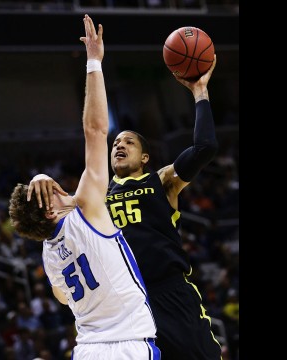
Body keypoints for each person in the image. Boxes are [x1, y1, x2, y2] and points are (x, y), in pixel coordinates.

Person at [28, 48, 222, 360]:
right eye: (116, 142)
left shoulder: (161, 181)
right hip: (125, 307)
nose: (119, 144)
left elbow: (205, 147)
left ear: (145, 157)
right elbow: (47, 209)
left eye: (128, 142)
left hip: (170, 292)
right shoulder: (92, 198)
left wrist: (200, 91)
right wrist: (38, 175)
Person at [8, 15, 160, 360]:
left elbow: (62, 297)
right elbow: (94, 131)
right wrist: (94, 61)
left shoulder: (48, 256)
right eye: (54, 189)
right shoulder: (88, 209)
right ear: (50, 209)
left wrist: (40, 187)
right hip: (128, 346)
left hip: (87, 349)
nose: (60, 186)